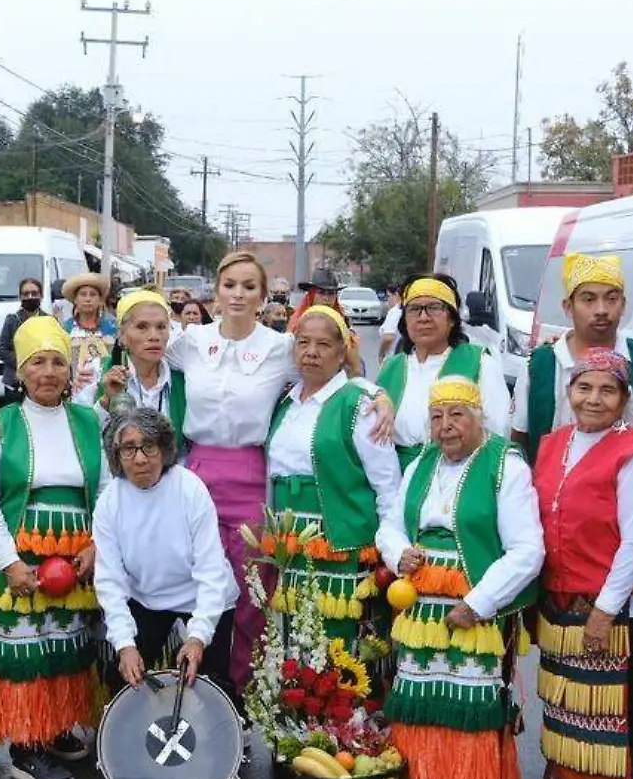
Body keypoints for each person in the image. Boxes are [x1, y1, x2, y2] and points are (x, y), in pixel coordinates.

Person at [162, 250, 393, 693]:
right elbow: (143, 349)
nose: (238, 294)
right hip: (197, 471)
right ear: (216, 291)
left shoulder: (280, 347)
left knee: (253, 594)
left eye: (250, 286)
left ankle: (243, 695)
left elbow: (331, 365)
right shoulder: (189, 341)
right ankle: (198, 690)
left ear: (264, 297)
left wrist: (377, 393)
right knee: (198, 587)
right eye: (230, 284)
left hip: (252, 476)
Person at [376, 375, 544, 779]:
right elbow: (389, 524)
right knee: (420, 694)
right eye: (436, 417)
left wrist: (479, 602)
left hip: (474, 603)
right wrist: (398, 553)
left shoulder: (504, 465)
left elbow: (528, 550)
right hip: (420, 605)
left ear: (479, 417)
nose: (446, 427)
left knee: (470, 698)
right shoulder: (421, 465)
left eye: (457, 415)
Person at [531, 347, 633, 779]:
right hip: (557, 596)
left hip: (606, 603)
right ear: (570, 392)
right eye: (584, 387)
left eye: (607, 389)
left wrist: (606, 610)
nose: (594, 399)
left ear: (625, 398)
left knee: (605, 712)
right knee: (564, 701)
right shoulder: (553, 444)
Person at [0, 316, 108, 779]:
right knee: (25, 649)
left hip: (75, 556)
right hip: (23, 552)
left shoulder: (90, 421)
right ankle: (26, 747)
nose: (48, 372)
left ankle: (56, 726)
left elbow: (108, 493)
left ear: (70, 370)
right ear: (21, 372)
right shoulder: (2, 424)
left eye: (57, 362)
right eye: (37, 363)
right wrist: (9, 561)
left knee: (66, 645)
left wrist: (95, 544)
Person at [265, 305, 403, 649]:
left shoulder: (359, 403)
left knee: (338, 641)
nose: (311, 352)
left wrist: (392, 546)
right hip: (291, 538)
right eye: (303, 342)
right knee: (295, 636)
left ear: (343, 352)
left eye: (324, 345)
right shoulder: (286, 400)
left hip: (338, 537)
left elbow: (386, 482)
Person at [91, 408, 238, 727]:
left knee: (212, 683)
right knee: (127, 678)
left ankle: (224, 746)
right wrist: (125, 645)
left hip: (204, 597)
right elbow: (110, 581)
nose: (140, 458)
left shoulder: (190, 489)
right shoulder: (109, 502)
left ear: (165, 449)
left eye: (149, 446)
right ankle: (127, 752)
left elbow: (211, 571)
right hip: (146, 597)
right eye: (129, 449)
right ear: (116, 455)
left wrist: (198, 637)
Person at [512, 253, 633, 459]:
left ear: (623, 305)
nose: (601, 310)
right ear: (568, 307)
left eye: (612, 299)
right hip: (556, 487)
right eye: (588, 299)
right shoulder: (540, 365)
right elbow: (519, 436)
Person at [377, 274, 511, 470]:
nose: (423, 317)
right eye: (414, 309)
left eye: (433, 308)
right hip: (394, 479)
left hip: (458, 476)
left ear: (452, 319)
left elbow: (499, 431)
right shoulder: (392, 367)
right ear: (404, 320)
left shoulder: (480, 363)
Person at [79, 288, 186, 456]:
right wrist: (106, 401)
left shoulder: (181, 382)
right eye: (142, 327)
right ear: (122, 335)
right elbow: (84, 437)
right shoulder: (96, 375)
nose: (154, 336)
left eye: (161, 327)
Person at [61, 270, 118, 397]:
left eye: (93, 294)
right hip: (76, 392)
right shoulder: (66, 329)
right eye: (83, 294)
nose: (88, 299)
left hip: (108, 391)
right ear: (75, 300)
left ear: (100, 300)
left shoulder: (113, 327)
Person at [0, 277, 47, 397]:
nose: (30, 297)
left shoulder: (49, 320)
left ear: (41, 296)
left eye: (34, 293)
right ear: (20, 297)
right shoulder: (12, 320)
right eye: (25, 294)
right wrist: (25, 363)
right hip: (15, 383)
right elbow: (1, 350)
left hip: (43, 381)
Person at [378, 287, 403, 360]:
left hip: (393, 357)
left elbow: (388, 337)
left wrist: (381, 354)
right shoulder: (406, 310)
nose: (388, 300)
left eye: (388, 296)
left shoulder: (394, 312)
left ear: (396, 295)